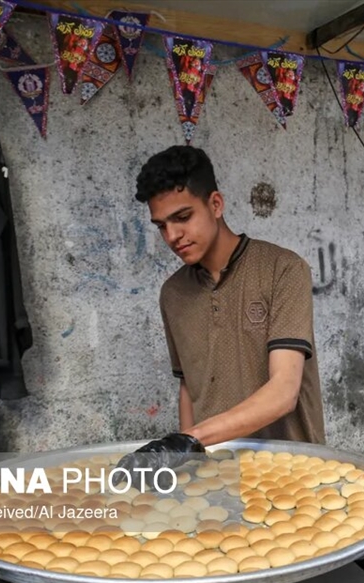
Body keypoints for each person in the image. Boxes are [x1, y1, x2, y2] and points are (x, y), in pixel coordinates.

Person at [115, 145, 324, 481]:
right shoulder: (173, 294)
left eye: (182, 218)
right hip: (217, 480)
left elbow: (284, 390)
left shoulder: (283, 270)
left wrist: (189, 440)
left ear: (215, 204)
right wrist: (187, 465)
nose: (172, 236)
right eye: (161, 226)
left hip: (290, 474)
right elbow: (189, 386)